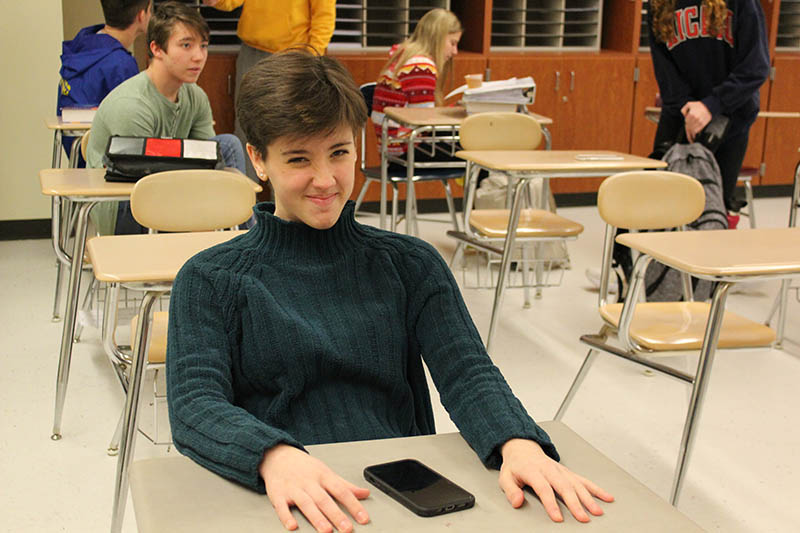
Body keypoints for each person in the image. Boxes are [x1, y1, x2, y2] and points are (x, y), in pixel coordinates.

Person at [166, 49, 614, 533]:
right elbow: (194, 404)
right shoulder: (211, 279)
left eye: (339, 153)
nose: (325, 179)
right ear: (258, 159)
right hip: (283, 499)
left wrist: (517, 442)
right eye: (299, 159)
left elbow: (467, 371)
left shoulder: (410, 265)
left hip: (400, 498)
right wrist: (272, 456)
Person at [86, 1, 246, 234]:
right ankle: (236, 245)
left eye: (203, 46)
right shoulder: (132, 105)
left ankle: (240, 243)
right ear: (157, 49)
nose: (198, 56)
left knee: (228, 146)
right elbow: (144, 183)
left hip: (171, 189)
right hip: (126, 205)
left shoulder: (196, 96)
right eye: (186, 45)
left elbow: (209, 162)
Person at [648, 0, 770, 211]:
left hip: (729, 117)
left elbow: (756, 66)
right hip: (680, 114)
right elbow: (663, 65)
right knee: (659, 206)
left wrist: (711, 105)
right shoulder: (658, 4)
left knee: (711, 209)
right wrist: (686, 106)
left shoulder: (743, 4)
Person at [200, 0, 336, 181]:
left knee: (289, 134)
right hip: (250, 51)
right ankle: (246, 201)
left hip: (292, 57)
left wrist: (311, 60)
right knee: (245, 129)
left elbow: (324, 17)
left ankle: (287, 205)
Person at [57, 0, 152, 164]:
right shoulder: (120, 64)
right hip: (103, 163)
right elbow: (134, 125)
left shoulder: (83, 45)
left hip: (75, 157)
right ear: (141, 16)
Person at [371, 8, 462, 162]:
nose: (455, 51)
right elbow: (425, 121)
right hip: (405, 149)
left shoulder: (405, 56)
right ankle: (490, 186)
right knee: (478, 149)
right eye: (452, 43)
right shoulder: (420, 66)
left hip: (393, 146)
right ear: (438, 38)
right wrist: (458, 111)